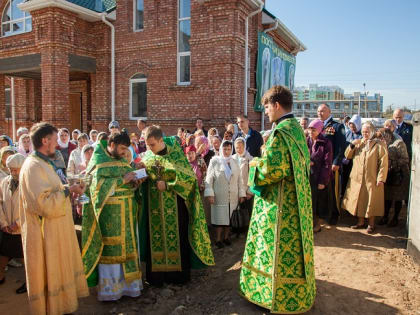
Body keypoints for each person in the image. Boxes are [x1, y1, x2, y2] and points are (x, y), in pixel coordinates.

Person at [239, 86, 315, 314]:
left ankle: (273, 296)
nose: (266, 111)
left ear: (277, 105)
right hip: (296, 202)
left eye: (267, 106)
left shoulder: (281, 133)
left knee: (276, 250)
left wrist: (254, 165)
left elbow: (272, 170)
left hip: (280, 207)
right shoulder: (296, 130)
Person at [19, 122, 88, 315]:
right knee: (50, 274)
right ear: (45, 140)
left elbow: (53, 191)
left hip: (56, 230)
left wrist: (69, 190)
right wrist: (68, 191)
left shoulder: (44, 162)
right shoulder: (33, 166)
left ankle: (63, 307)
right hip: (45, 234)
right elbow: (43, 204)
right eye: (55, 139)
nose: (57, 143)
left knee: (61, 270)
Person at [140, 125, 214, 287]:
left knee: (177, 237)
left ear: (160, 140)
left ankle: (177, 276)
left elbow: (190, 179)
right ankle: (157, 278)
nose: (150, 149)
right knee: (155, 239)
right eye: (147, 145)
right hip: (154, 210)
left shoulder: (176, 154)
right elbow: (143, 175)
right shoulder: (148, 157)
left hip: (176, 206)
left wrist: (168, 184)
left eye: (152, 145)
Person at [81, 131, 143, 301]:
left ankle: (130, 288)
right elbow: (96, 189)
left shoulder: (122, 160)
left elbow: (128, 179)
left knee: (129, 249)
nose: (124, 153)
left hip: (127, 212)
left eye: (126, 149)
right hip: (109, 214)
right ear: (113, 145)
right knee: (113, 250)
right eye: (122, 148)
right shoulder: (98, 160)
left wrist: (135, 181)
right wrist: (122, 180)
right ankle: (111, 291)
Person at [341, 122, 388, 234]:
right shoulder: (358, 143)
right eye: (363, 132)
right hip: (357, 177)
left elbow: (383, 163)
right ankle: (360, 222)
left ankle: (371, 224)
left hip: (371, 178)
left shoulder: (379, 145)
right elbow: (347, 156)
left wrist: (381, 178)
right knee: (359, 199)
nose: (364, 134)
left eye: (367, 132)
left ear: (372, 132)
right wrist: (352, 145)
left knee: (371, 200)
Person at [205, 140, 245, 248]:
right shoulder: (215, 161)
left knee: (229, 220)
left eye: (228, 149)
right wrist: (210, 194)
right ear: (221, 149)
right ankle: (218, 239)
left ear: (231, 150)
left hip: (233, 196)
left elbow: (240, 180)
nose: (226, 151)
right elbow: (209, 178)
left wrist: (241, 194)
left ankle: (226, 237)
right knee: (219, 220)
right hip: (219, 196)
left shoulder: (235, 162)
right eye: (224, 149)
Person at [0, 153, 26, 294]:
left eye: (16, 169)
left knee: (25, 258)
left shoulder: (28, 184)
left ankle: (30, 283)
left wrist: (17, 223)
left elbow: (30, 208)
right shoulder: (4, 182)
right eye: (10, 169)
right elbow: (0, 203)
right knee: (3, 253)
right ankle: (0, 276)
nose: (12, 172)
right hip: (7, 228)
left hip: (22, 229)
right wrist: (3, 223)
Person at [317, 103, 346, 225]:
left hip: (331, 165)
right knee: (321, 191)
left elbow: (341, 146)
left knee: (333, 191)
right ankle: (322, 214)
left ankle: (334, 214)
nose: (320, 113)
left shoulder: (337, 126)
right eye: (318, 111)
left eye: (323, 111)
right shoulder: (317, 126)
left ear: (329, 112)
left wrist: (336, 162)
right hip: (319, 165)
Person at [377, 128, 410, 227]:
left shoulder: (399, 143)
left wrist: (392, 163)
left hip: (399, 174)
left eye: (382, 136)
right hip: (388, 173)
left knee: (398, 198)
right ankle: (385, 216)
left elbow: (405, 159)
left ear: (387, 135)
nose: (381, 138)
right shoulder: (382, 144)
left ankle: (395, 218)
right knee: (387, 197)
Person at [306, 119, 333, 233]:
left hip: (321, 175)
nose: (311, 132)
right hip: (309, 176)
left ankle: (318, 224)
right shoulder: (306, 141)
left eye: (314, 129)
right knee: (311, 200)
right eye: (310, 129)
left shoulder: (326, 142)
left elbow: (327, 163)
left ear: (319, 130)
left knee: (320, 201)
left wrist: (323, 180)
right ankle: (310, 223)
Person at [342, 114, 362, 192]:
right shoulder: (348, 133)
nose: (352, 128)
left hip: (356, 161)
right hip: (346, 162)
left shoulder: (362, 134)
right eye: (351, 126)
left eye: (354, 127)